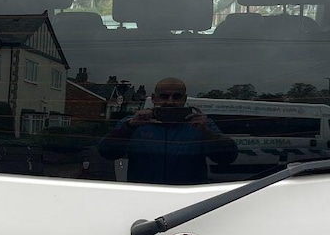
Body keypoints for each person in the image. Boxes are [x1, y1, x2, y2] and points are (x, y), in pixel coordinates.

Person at [97, 77, 238, 185]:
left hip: (189, 200)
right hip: (143, 196)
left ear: (185, 99)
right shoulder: (134, 123)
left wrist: (207, 133)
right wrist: (130, 127)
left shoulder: (200, 124)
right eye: (164, 96)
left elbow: (227, 158)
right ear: (153, 98)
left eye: (177, 97)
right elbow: (106, 152)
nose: (170, 102)